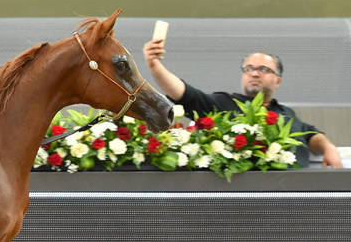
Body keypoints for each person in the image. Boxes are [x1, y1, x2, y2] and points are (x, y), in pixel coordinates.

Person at [142, 37, 343, 168]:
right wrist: (154, 66)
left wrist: (328, 148)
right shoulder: (223, 103)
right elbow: (183, 94)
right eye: (249, 69)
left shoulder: (286, 113)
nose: (254, 73)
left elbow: (310, 134)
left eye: (263, 69)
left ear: (277, 81)